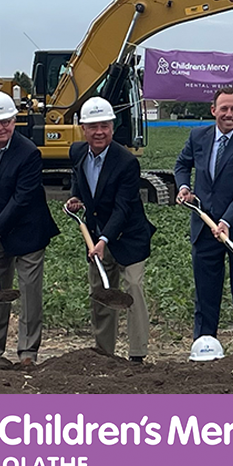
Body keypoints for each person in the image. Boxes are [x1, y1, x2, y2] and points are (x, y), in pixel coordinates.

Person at [0, 91, 59, 367]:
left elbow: (22, 198)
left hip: (28, 231)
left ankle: (28, 352)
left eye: (5, 121)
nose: (0, 127)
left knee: (29, 292)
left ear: (14, 120)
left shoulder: (28, 152)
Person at [175, 86, 233, 353]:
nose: (229, 114)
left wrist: (226, 220)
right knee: (206, 295)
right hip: (205, 228)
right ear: (213, 110)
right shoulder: (198, 137)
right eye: (224, 108)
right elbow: (182, 164)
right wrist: (183, 187)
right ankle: (205, 349)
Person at [65, 97, 156, 362]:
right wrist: (75, 197)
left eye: (104, 125)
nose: (99, 132)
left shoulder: (126, 162)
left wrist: (104, 239)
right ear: (83, 129)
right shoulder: (77, 152)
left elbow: (122, 208)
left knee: (133, 289)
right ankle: (104, 353)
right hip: (96, 236)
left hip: (129, 237)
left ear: (112, 128)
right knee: (101, 294)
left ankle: (137, 354)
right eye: (93, 126)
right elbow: (79, 178)